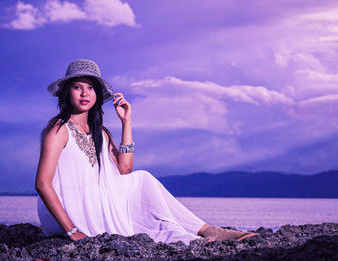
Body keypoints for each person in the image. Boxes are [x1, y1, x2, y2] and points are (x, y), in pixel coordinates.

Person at [35, 59, 257, 244]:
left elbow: (124, 169)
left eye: (90, 87)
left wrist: (127, 122)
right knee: (140, 195)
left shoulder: (100, 132)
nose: (85, 93)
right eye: (77, 87)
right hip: (67, 207)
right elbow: (42, 184)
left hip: (95, 198)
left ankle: (206, 230)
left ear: (96, 95)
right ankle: (207, 231)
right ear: (66, 92)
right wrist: (72, 230)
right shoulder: (59, 129)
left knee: (142, 179)